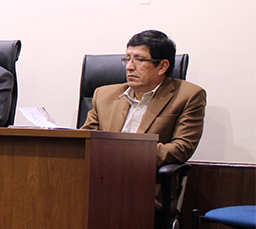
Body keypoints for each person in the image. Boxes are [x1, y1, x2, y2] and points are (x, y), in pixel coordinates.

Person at [81, 30, 206, 167]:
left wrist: (124, 153)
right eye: (128, 59)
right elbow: (84, 141)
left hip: (145, 175)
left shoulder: (188, 96)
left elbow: (181, 149)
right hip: (98, 172)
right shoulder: (103, 95)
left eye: (139, 60)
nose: (129, 67)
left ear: (162, 66)